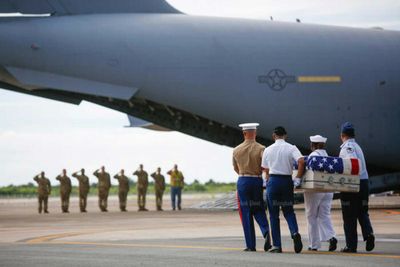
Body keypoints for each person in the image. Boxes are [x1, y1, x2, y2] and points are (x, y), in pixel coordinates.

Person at [261, 126, 305, 253]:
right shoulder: (291, 147)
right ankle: (295, 232)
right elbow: (301, 161)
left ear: (273, 136)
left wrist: (268, 181)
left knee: (274, 214)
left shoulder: (268, 150)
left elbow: (265, 169)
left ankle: (277, 245)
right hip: (286, 181)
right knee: (289, 211)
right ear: (285, 135)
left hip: (273, 182)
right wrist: (298, 178)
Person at [233, 123, 271, 252]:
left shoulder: (236, 149)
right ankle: (266, 231)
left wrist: (244, 174)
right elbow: (265, 166)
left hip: (243, 180)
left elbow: (235, 168)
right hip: (256, 181)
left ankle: (250, 245)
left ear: (244, 133)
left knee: (246, 211)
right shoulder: (261, 148)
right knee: (258, 207)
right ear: (255, 133)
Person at [339, 122, 375, 253]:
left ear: (342, 135)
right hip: (364, 183)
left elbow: (352, 164)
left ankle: (351, 245)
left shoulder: (347, 147)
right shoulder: (357, 146)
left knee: (349, 215)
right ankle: (368, 234)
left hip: (352, 183)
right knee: (362, 211)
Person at [303, 135, 337, 251]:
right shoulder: (327, 156)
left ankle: (314, 245)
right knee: (324, 215)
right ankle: (331, 237)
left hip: (315, 189)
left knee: (311, 216)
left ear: (314, 145)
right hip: (328, 188)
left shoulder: (313, 156)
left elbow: (308, 171)